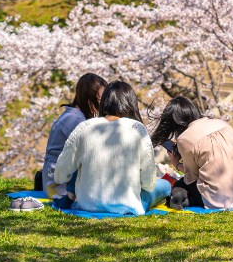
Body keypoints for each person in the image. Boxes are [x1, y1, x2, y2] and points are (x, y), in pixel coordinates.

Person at [54, 81, 170, 215]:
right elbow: (148, 183)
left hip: (87, 204)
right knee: (165, 185)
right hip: (127, 205)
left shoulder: (84, 127)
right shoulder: (137, 128)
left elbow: (60, 175)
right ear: (131, 103)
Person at [151, 97, 233, 209]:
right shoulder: (223, 123)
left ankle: (184, 200)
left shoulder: (185, 139)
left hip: (222, 198)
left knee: (181, 184)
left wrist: (177, 164)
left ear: (175, 122)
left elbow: (192, 177)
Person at [43, 73, 108, 200]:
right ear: (88, 98)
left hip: (54, 178)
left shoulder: (72, 114)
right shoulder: (76, 119)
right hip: (60, 185)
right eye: (100, 98)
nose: (103, 103)